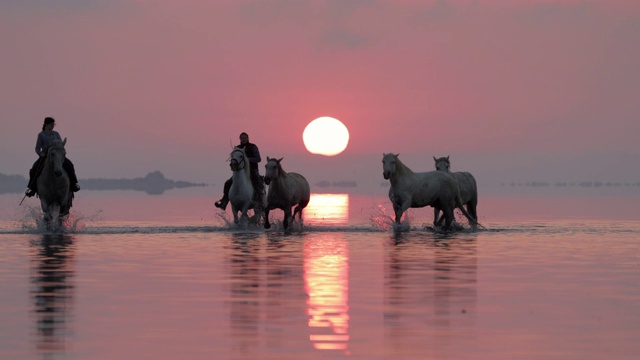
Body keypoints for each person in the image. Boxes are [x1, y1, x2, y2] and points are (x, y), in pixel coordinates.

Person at [25, 117, 80, 197]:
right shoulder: (41, 135)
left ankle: (74, 184)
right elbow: (37, 148)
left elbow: (61, 144)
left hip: (57, 155)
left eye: (54, 124)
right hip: (46, 155)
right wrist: (40, 154)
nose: (53, 126)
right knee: (34, 168)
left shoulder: (56, 134)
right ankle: (32, 189)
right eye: (51, 124)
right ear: (46, 124)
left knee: (70, 165)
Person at [215, 132, 264, 210]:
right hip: (240, 171)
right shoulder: (237, 148)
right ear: (240, 139)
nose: (243, 139)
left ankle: (260, 202)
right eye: (242, 138)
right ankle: (224, 201)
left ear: (248, 138)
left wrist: (246, 160)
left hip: (252, 170)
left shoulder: (253, 147)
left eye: (245, 138)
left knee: (257, 183)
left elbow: (258, 159)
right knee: (228, 183)